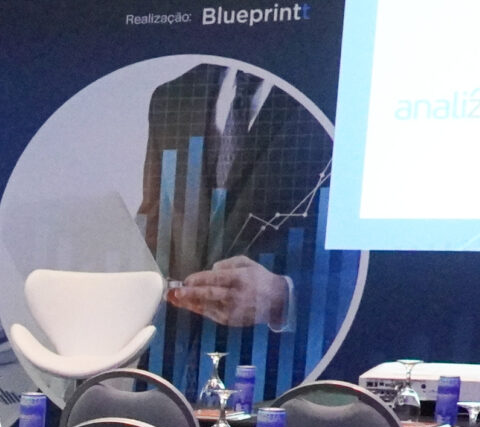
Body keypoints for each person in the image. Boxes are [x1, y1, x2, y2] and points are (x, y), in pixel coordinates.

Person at [138, 61, 335, 383]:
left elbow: (364, 262)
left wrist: (282, 296)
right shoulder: (172, 95)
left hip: (282, 367)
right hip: (171, 363)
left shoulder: (334, 96)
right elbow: (156, 219)